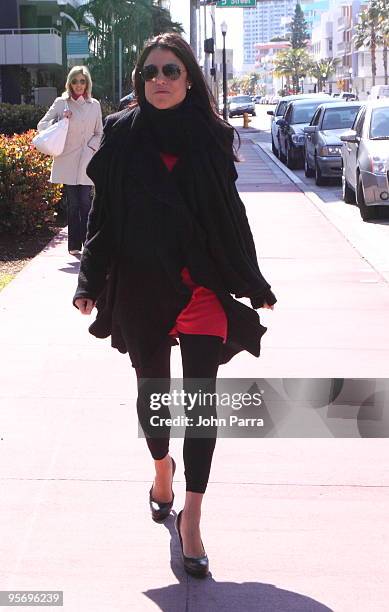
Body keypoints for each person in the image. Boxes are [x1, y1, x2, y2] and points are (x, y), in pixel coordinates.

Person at [72, 33, 277, 578]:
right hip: (143, 287)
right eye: (150, 72)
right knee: (154, 398)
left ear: (189, 79)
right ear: (140, 82)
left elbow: (231, 215)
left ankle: (194, 515)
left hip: (202, 288)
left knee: (202, 403)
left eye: (170, 70)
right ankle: (161, 466)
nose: (158, 80)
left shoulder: (212, 136)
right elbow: (104, 219)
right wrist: (89, 280)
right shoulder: (119, 136)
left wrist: (253, 281)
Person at [37, 66, 103, 256]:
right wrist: (60, 121)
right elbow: (42, 125)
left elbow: (99, 132)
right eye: (75, 81)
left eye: (82, 81)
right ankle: (74, 245)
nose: (79, 85)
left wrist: (91, 147)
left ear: (87, 83)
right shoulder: (61, 103)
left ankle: (88, 242)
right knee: (73, 203)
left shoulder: (94, 104)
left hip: (86, 160)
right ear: (69, 83)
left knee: (86, 202)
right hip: (66, 159)